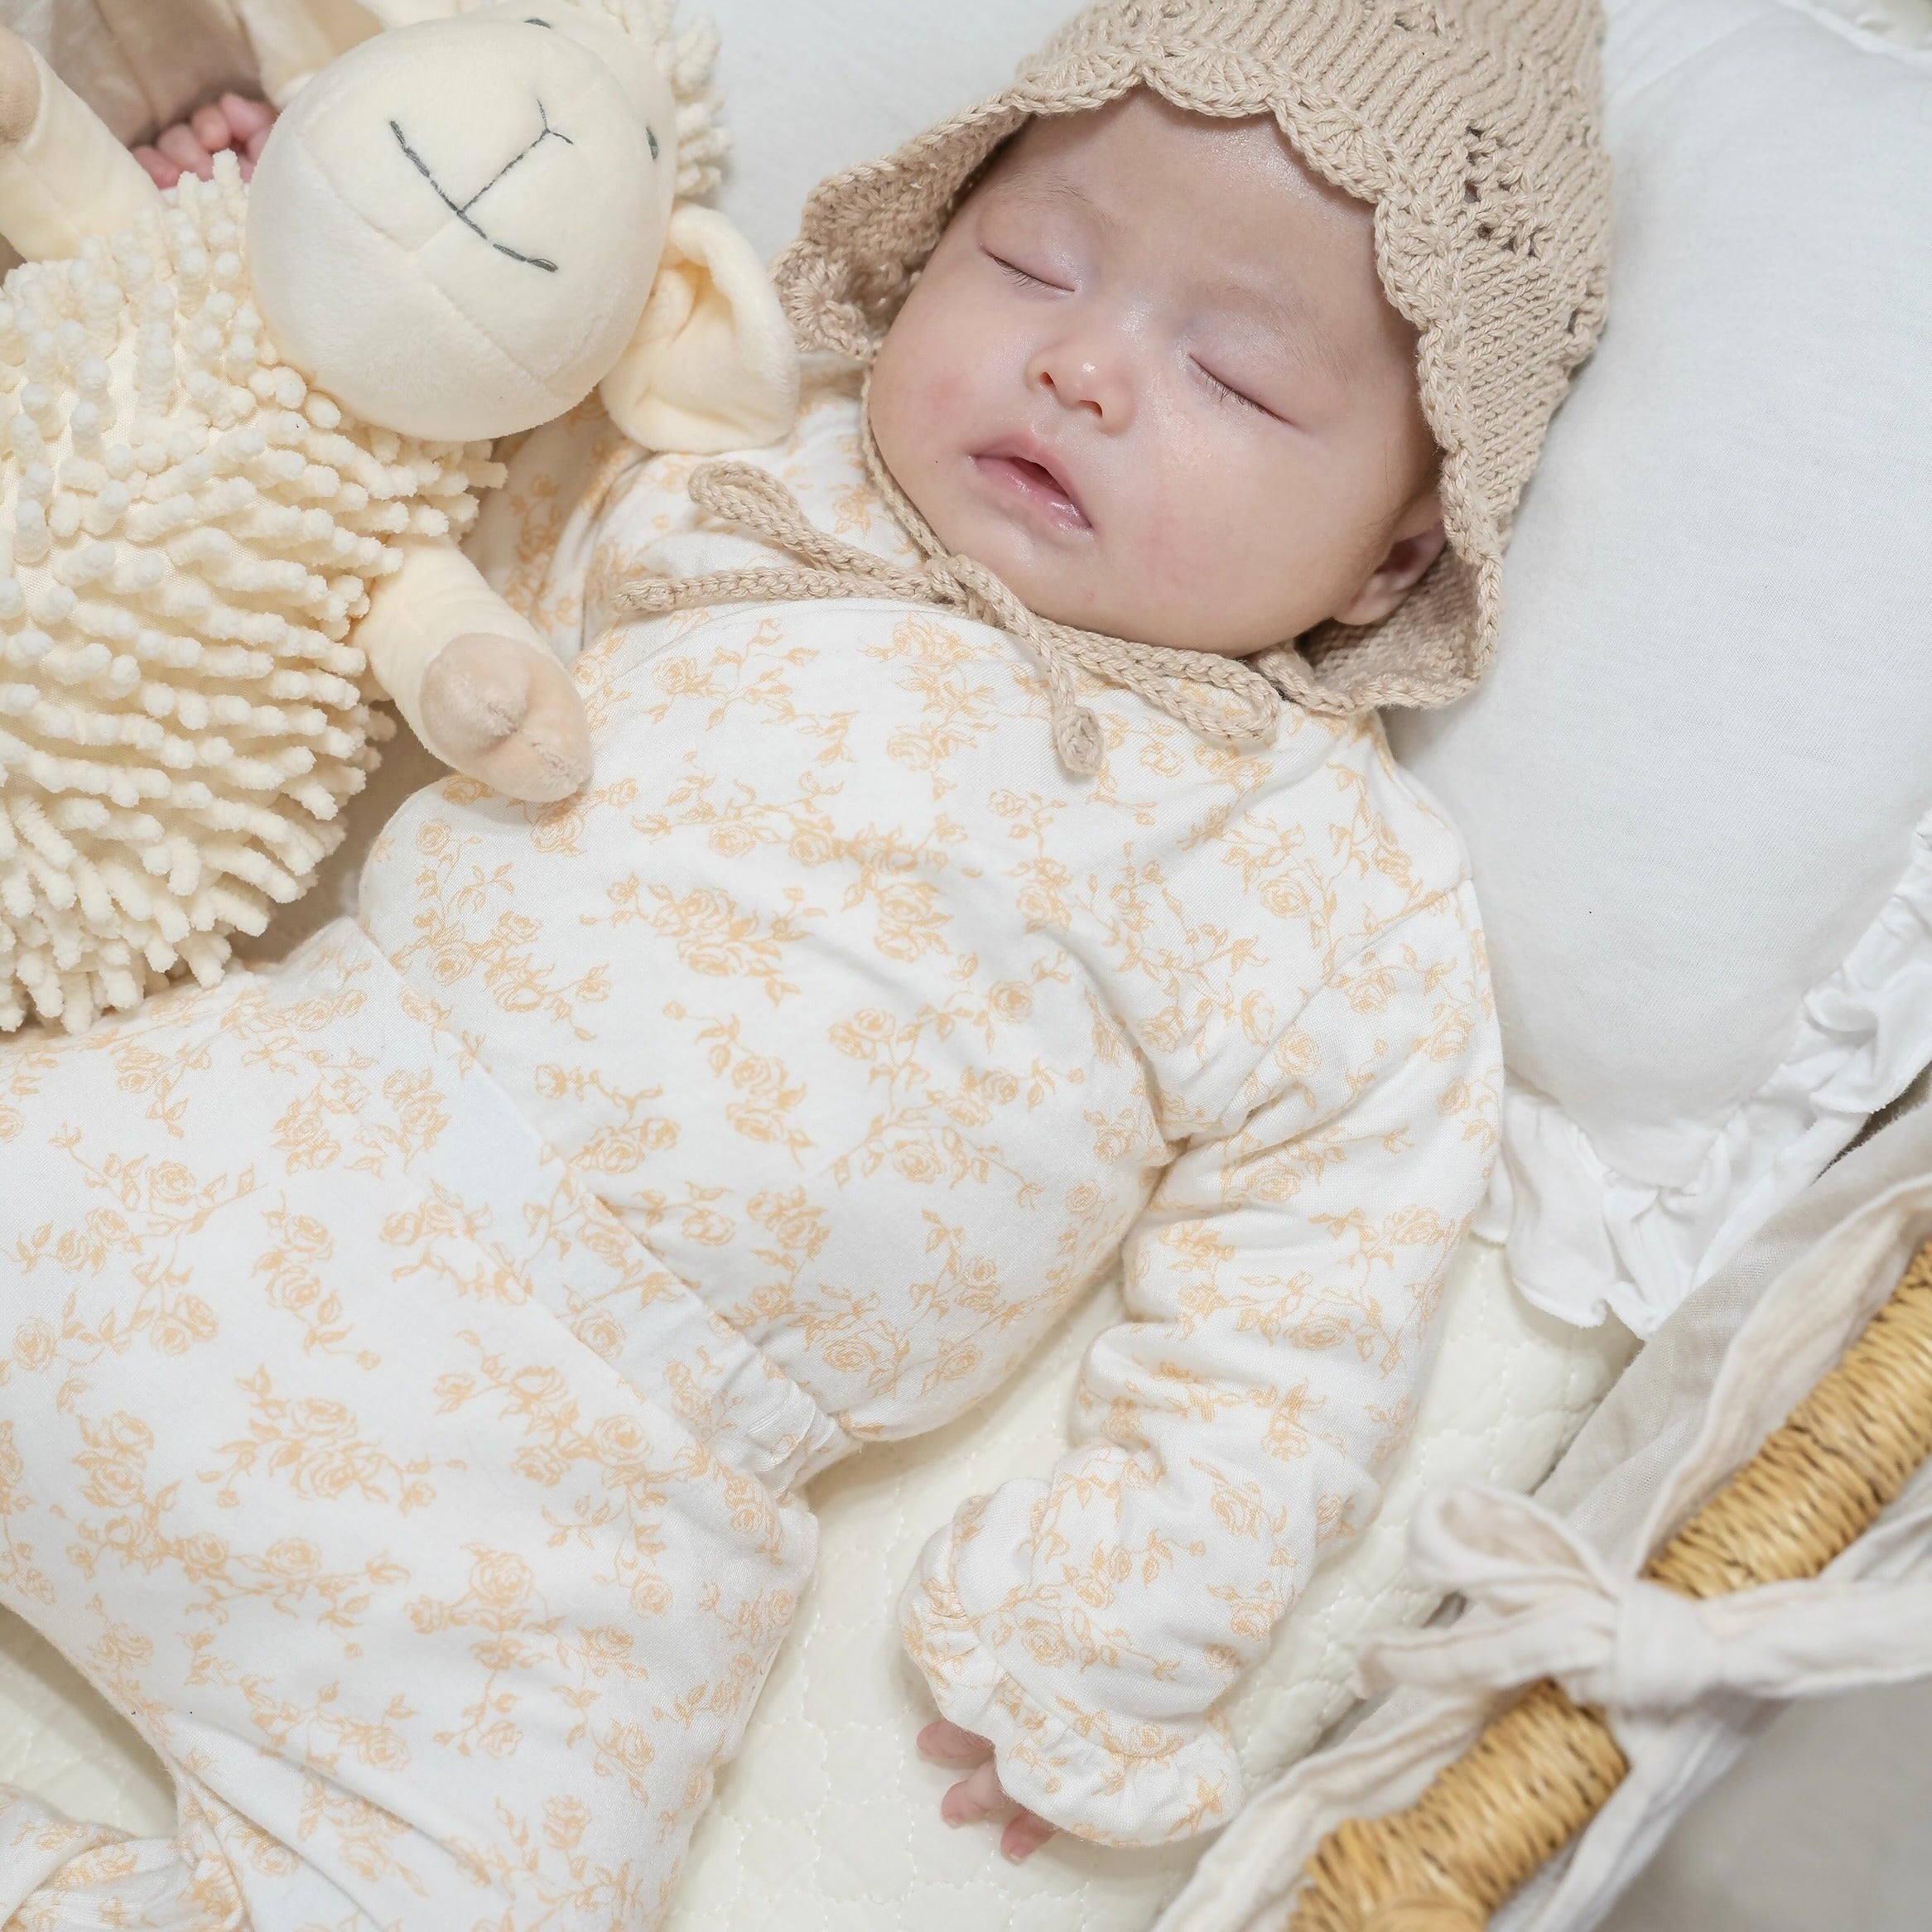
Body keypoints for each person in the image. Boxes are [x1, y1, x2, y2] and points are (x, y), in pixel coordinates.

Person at [0, 0, 1609, 1921]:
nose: (1084, 364)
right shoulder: (737, 464)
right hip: (230, 1156)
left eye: (1238, 379)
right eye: (1031, 265)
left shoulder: (1330, 881)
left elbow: (1309, 1318)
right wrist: (279, 260)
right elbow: (389, 508)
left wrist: (1104, 1635)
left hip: (581, 1519)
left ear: (1397, 555)